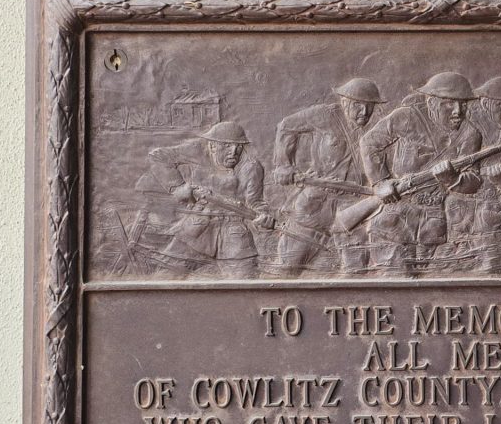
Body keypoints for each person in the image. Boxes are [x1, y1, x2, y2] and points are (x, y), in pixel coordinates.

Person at [361, 71, 482, 273]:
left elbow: (473, 182)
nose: (458, 111)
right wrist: (380, 182)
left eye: (463, 103)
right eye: (449, 103)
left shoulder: (470, 134)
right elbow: (369, 142)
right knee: (390, 279)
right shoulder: (407, 116)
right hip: (396, 213)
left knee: (427, 286)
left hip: (433, 219)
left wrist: (453, 180)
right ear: (431, 102)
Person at [272, 78, 384, 274]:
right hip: (316, 202)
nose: (364, 112)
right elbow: (286, 126)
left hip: (354, 204)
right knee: (287, 268)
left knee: (356, 271)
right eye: (358, 105)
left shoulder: (381, 127)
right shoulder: (325, 115)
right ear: (345, 101)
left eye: (370, 106)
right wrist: (283, 165)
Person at [145, 121, 274, 277]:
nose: (234, 151)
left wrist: (263, 216)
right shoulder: (197, 150)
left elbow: (255, 202)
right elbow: (158, 156)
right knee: (165, 277)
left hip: (234, 233)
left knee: (245, 284)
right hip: (197, 227)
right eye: (226, 145)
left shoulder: (252, 167)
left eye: (238, 146)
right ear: (213, 145)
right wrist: (177, 187)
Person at [445, 76, 501, 272]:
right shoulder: (465, 129)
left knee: (495, 269)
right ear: (485, 104)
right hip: (456, 216)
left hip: (491, 217)